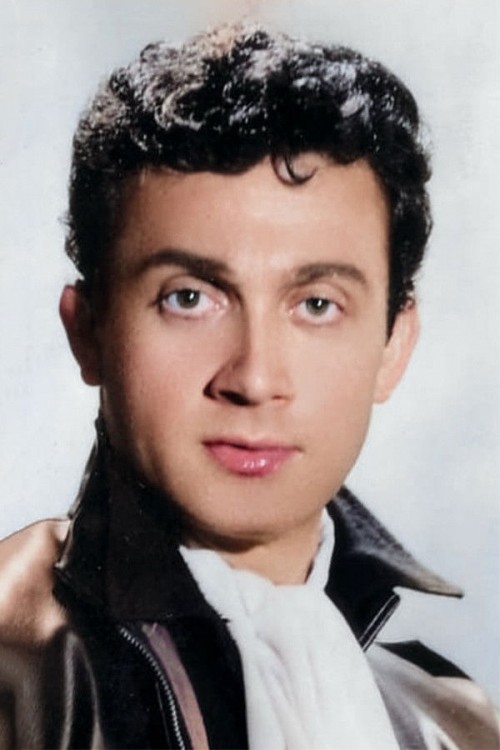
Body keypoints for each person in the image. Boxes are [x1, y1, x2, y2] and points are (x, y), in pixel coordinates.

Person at [0, 21, 498, 750]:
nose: (255, 378)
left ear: (395, 346)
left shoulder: (454, 722)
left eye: (317, 305)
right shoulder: (14, 670)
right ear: (90, 331)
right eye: (189, 298)